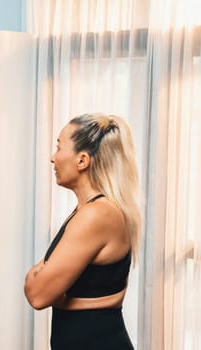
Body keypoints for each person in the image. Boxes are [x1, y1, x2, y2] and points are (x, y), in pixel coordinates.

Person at [23, 113, 141, 349]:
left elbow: (36, 294)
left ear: (82, 160)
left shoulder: (96, 215)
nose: (52, 158)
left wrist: (58, 293)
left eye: (59, 147)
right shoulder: (92, 209)